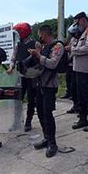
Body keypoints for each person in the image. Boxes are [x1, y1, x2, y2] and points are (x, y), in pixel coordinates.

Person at [28, 25, 65, 158]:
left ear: (45, 34)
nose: (40, 38)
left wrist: (38, 56)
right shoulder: (44, 48)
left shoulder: (57, 47)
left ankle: (52, 143)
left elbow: (53, 63)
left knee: (47, 114)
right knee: (40, 113)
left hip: (49, 85)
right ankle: (46, 138)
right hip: (40, 83)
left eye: (40, 35)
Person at [7, 22, 38, 132]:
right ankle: (16, 122)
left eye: (19, 31)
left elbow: (39, 58)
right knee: (17, 99)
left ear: (24, 32)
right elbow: (14, 57)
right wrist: (11, 67)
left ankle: (28, 122)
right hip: (20, 76)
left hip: (31, 76)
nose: (18, 34)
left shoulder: (35, 44)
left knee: (31, 100)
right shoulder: (18, 45)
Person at [66, 23, 82, 114]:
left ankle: (81, 108)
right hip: (71, 66)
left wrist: (70, 51)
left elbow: (75, 51)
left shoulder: (82, 39)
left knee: (79, 88)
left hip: (77, 66)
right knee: (72, 87)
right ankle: (76, 105)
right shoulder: (73, 39)